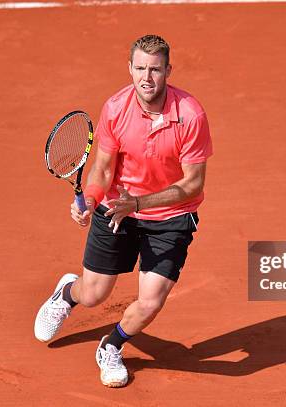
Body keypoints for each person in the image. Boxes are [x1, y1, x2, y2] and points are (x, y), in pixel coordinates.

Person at [34, 34, 212, 388]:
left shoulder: (190, 115)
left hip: (169, 217)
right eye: (141, 68)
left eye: (156, 69)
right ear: (130, 69)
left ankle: (111, 346)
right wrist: (91, 199)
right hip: (117, 209)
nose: (147, 78)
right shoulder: (116, 107)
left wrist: (141, 203)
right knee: (94, 295)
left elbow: (193, 185)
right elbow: (101, 169)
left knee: (150, 301)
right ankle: (67, 293)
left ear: (168, 71)